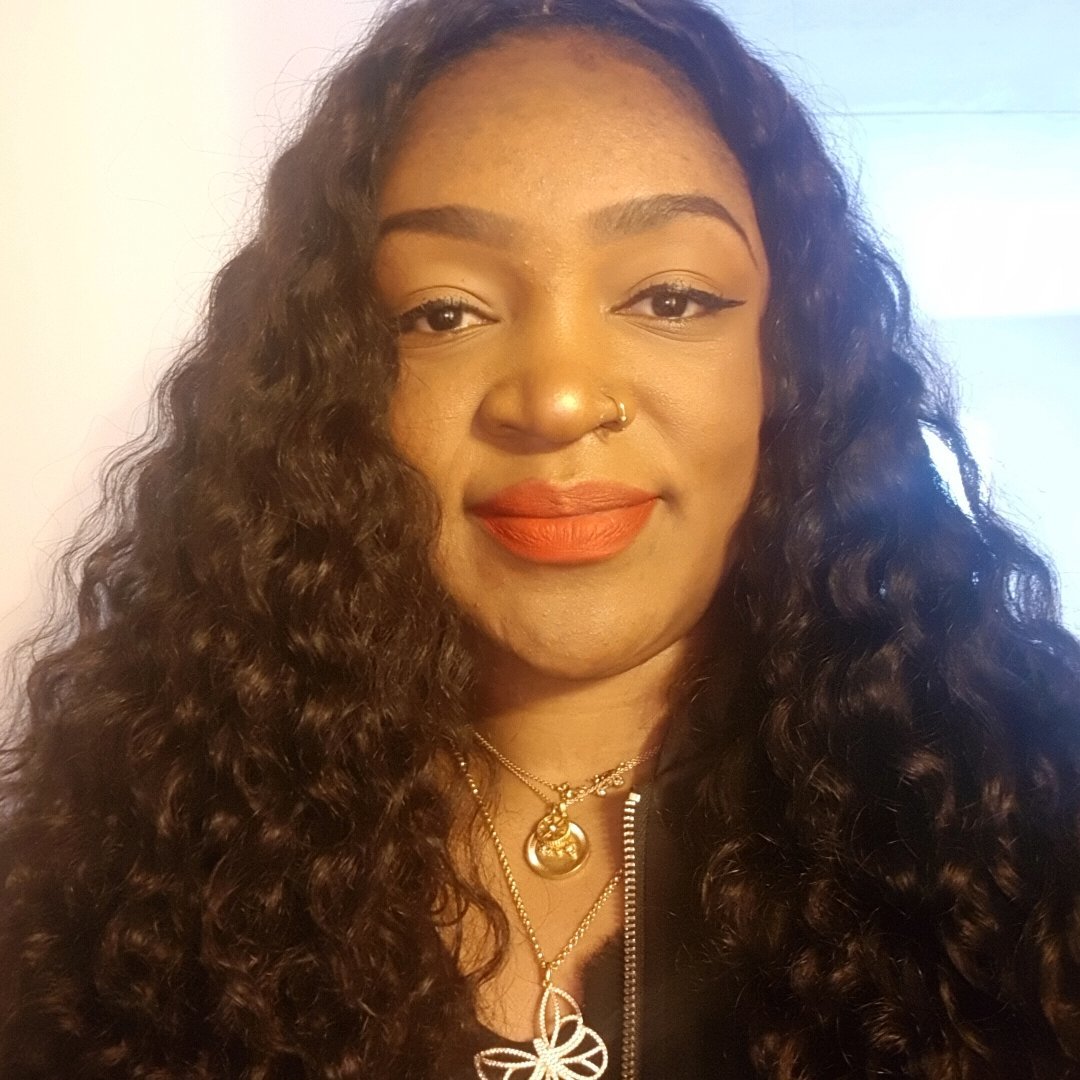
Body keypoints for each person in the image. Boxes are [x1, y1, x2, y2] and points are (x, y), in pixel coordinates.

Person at [2, 0, 1079, 1076]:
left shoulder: (1033, 840)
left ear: (789, 365)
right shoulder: (113, 870)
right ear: (329, 389)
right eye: (444, 313)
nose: (556, 400)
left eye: (670, 297)